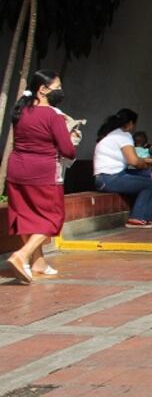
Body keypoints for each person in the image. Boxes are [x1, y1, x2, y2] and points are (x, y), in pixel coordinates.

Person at [5, 70, 80, 283]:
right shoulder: (53, 115)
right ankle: (22, 255)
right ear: (43, 89)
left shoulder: (20, 111)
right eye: (57, 87)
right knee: (52, 218)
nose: (60, 91)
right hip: (43, 173)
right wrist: (72, 137)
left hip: (17, 170)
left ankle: (37, 262)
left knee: (25, 216)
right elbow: (67, 150)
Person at [93, 108, 152, 228]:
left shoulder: (112, 134)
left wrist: (145, 167)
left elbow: (132, 159)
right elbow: (134, 161)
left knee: (149, 176)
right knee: (149, 184)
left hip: (106, 178)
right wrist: (145, 165)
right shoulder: (123, 135)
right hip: (110, 179)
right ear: (130, 123)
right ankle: (137, 218)